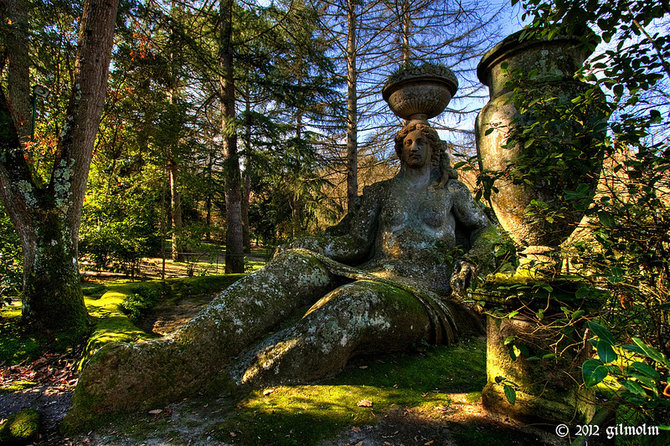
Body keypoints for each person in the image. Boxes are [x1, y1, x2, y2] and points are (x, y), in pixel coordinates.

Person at [69, 121, 493, 421]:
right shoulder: (383, 192)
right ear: (399, 149)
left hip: (426, 291)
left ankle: (229, 381)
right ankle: (180, 356)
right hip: (377, 270)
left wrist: (475, 260)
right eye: (407, 141)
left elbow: (490, 234)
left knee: (346, 309)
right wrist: (303, 247)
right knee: (293, 268)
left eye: (422, 142)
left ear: (434, 150)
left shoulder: (452, 192)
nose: (414, 147)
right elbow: (351, 242)